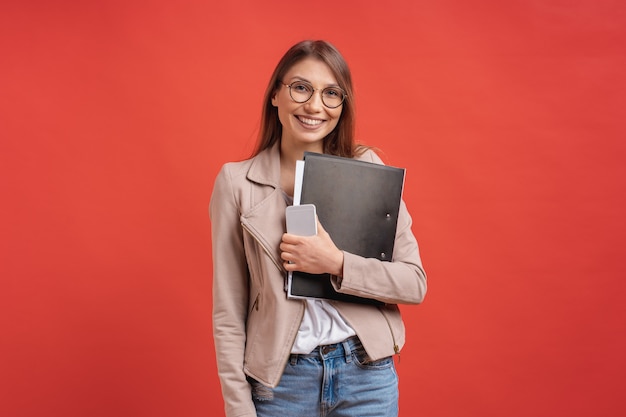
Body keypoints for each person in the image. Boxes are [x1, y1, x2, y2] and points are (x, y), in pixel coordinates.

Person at [209, 40, 427, 417]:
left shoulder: (367, 168)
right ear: (276, 94)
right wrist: (238, 409)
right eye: (301, 88)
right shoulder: (236, 183)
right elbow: (228, 314)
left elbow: (413, 283)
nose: (314, 106)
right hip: (282, 385)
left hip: (366, 376)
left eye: (331, 94)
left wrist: (336, 262)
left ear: (343, 106)